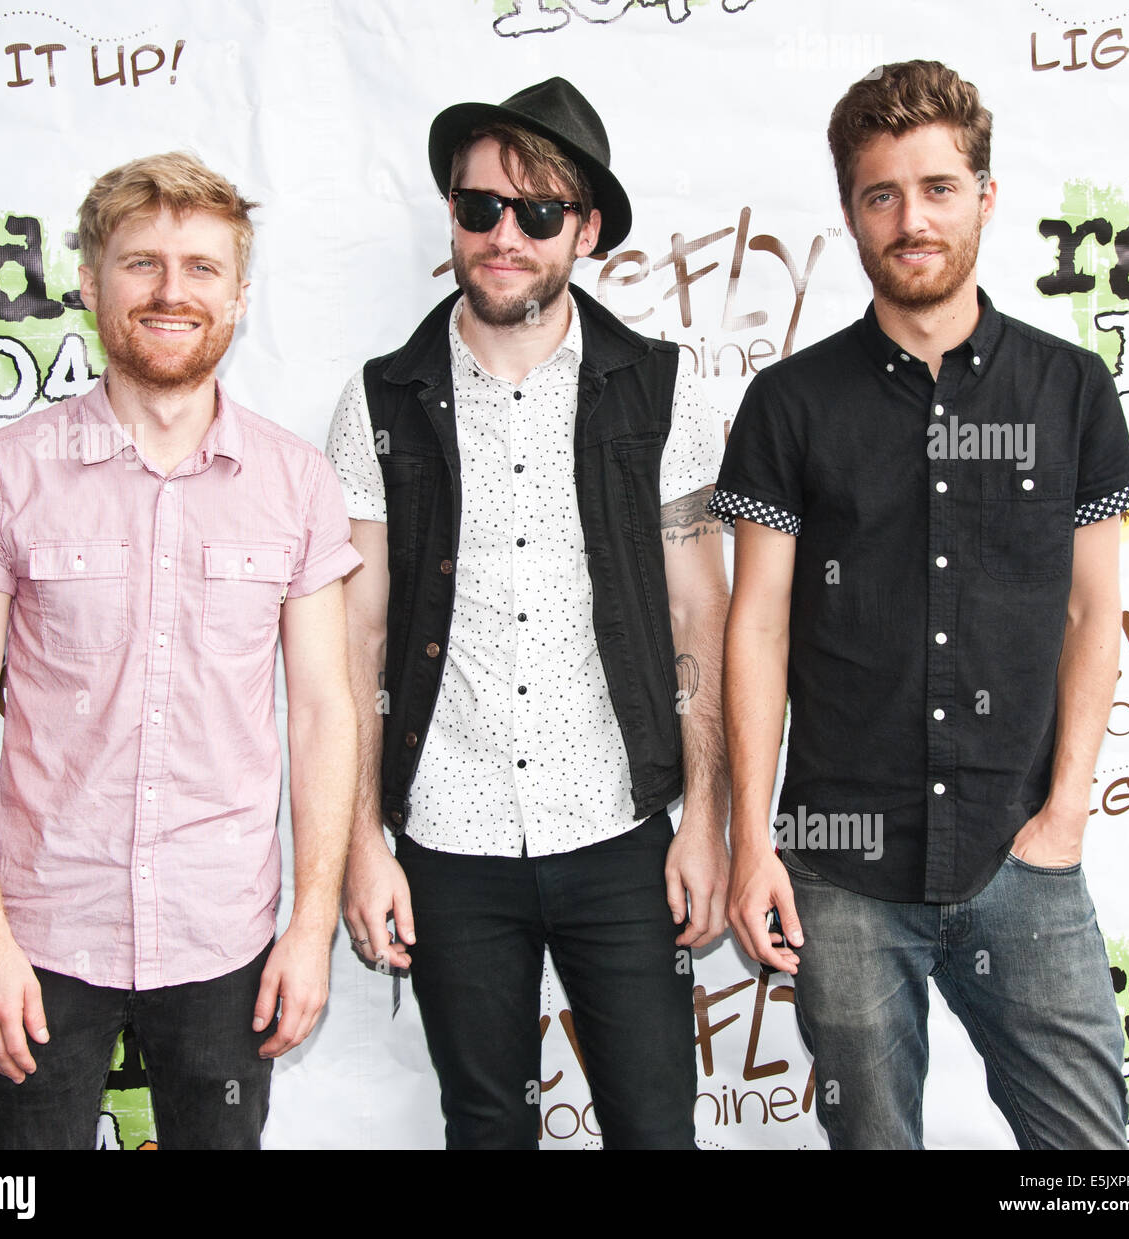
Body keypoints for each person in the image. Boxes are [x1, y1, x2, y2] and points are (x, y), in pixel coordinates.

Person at [716, 59, 1129, 1150]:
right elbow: (755, 625)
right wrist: (750, 842)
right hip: (839, 867)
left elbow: (1097, 616)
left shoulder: (1072, 391)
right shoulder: (789, 403)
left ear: (985, 198)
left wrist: (1066, 815)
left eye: (939, 187)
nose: (912, 219)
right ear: (852, 212)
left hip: (1022, 853)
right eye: (881, 194)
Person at [0, 152, 360, 1150]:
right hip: (41, 939)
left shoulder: (295, 484)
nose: (173, 292)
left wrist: (308, 927)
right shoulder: (4, 474)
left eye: (203, 268)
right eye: (142, 263)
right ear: (89, 280)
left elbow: (327, 713)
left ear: (240, 296)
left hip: (226, 941)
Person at [327, 78, 730, 1149]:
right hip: (448, 839)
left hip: (619, 834)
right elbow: (355, 643)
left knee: (655, 1127)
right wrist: (363, 845)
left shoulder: (660, 391)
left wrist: (711, 826)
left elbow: (699, 617)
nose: (504, 235)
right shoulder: (379, 399)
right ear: (453, 218)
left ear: (585, 230)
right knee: (485, 1126)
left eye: (538, 212)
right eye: (478, 208)